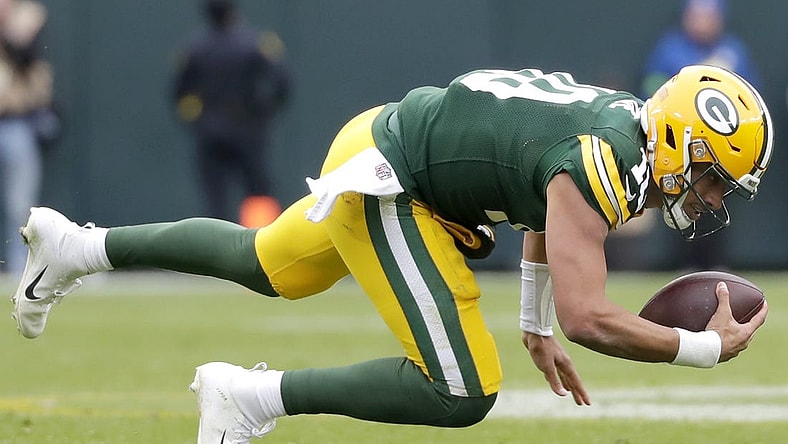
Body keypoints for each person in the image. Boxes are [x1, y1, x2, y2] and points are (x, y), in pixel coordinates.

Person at [11, 65, 772, 443]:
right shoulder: (606, 159)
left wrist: (533, 321)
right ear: (680, 138)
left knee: (267, 264)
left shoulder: (622, 129)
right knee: (464, 387)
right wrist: (701, 347)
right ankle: (247, 397)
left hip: (383, 136)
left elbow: (548, 208)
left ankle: (78, 245)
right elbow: (591, 317)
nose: (708, 197)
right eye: (711, 175)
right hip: (397, 181)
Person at [638, 0, 762, 271]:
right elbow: (651, 88)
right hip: (682, 149)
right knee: (677, 199)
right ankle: (684, 263)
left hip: (725, 151)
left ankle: (716, 263)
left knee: (718, 199)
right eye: (697, 16)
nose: (703, 22)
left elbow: (753, 97)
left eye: (708, 16)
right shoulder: (670, 48)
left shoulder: (732, 50)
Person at [173, 0, 290, 225]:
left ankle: (214, 253)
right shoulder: (255, 43)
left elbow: (179, 92)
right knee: (258, 193)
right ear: (233, 10)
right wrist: (264, 111)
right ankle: (262, 248)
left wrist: (197, 120)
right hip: (248, 128)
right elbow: (282, 83)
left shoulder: (195, 49)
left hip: (210, 130)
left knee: (215, 198)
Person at [0, 0, 53, 273]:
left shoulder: (26, 19)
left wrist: (11, 28)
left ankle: (20, 266)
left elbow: (26, 58)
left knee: (19, 203)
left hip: (14, 121)